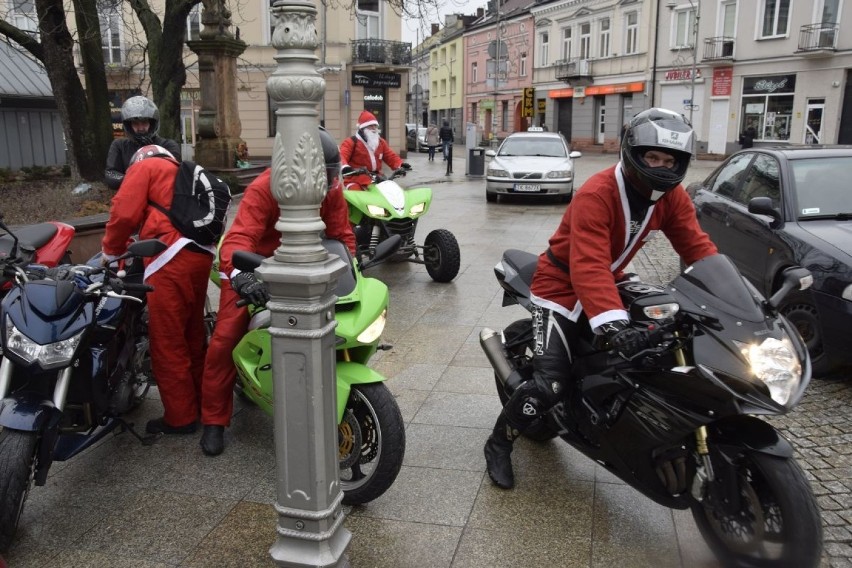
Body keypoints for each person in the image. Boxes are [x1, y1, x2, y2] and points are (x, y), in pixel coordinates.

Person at [483, 108, 719, 490]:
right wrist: (612, 325)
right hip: (559, 285)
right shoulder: (598, 192)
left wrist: (727, 292)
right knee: (550, 385)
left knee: (655, 345)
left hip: (610, 278)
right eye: (652, 157)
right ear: (633, 154)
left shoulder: (672, 198)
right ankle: (498, 444)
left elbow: (698, 247)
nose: (660, 166)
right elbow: (588, 263)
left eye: (668, 159)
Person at [198, 127, 356, 456]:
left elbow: (342, 235)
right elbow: (240, 238)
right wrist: (243, 276)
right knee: (226, 338)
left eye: (331, 174)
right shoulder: (265, 188)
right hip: (254, 267)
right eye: (323, 175)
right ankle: (214, 420)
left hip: (305, 267)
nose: (328, 182)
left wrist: (353, 267)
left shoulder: (330, 191)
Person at [101, 144, 214, 435]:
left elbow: (124, 213)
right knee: (193, 334)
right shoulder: (179, 171)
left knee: (167, 340)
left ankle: (181, 418)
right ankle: (203, 405)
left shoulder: (145, 167)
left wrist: (111, 250)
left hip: (169, 256)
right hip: (200, 255)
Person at [104, 96, 181, 190]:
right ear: (129, 125)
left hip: (159, 200)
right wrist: (135, 180)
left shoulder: (168, 145)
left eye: (144, 122)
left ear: (152, 123)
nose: (141, 128)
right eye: (135, 124)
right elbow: (110, 174)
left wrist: (150, 149)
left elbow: (172, 174)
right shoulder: (119, 145)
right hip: (131, 198)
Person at [339, 110, 408, 190]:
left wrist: (400, 165)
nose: (374, 128)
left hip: (377, 178)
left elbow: (390, 156)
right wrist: (345, 167)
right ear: (362, 128)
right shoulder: (351, 142)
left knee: (392, 191)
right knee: (357, 195)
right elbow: (341, 156)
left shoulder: (380, 142)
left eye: (375, 126)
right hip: (355, 179)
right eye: (371, 126)